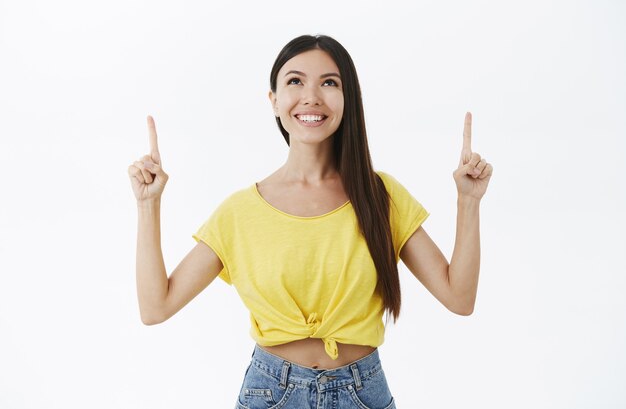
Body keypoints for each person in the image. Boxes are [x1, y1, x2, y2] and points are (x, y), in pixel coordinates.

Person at [128, 34, 493, 409]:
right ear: (273, 101)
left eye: (329, 83)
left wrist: (468, 201)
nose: (311, 96)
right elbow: (156, 307)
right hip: (269, 394)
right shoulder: (240, 212)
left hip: (362, 393)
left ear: (348, 99)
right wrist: (147, 206)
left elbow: (459, 298)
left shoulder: (380, 196)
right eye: (295, 81)